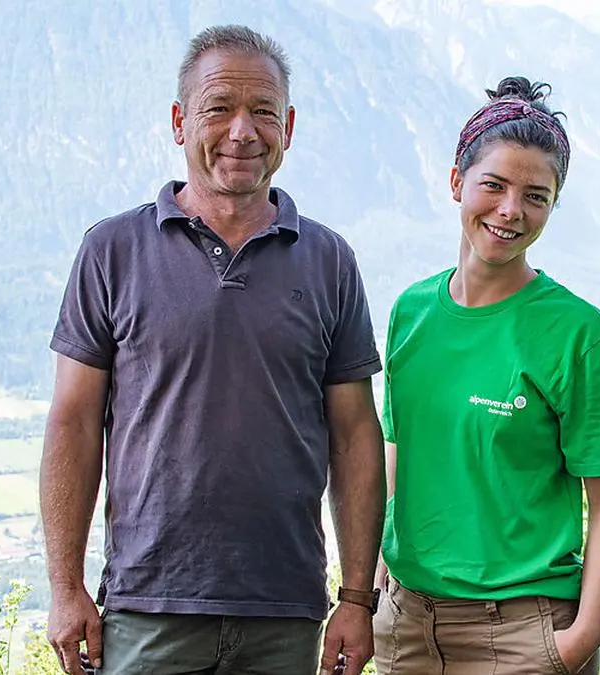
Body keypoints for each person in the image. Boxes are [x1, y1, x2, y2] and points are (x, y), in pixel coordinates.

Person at [39, 25, 384, 675]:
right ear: (179, 121)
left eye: (262, 111)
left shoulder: (330, 259)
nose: (242, 131)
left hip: (286, 611)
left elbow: (354, 435)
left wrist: (357, 598)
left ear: (288, 124)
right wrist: (64, 587)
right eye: (219, 107)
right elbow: (73, 423)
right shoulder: (112, 251)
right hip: (148, 606)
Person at [372, 76, 600, 675]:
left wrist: (581, 636)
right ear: (456, 182)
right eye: (493, 185)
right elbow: (398, 448)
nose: (511, 210)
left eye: (536, 196)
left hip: (524, 628)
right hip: (407, 623)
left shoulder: (579, 334)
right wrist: (375, 570)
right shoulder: (411, 311)